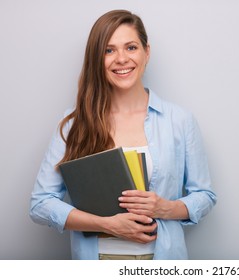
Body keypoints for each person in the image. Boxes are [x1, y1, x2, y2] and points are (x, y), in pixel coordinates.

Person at [29, 9, 217, 260]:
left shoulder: (179, 120)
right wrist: (107, 224)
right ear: (97, 59)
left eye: (131, 47)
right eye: (109, 50)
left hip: (163, 260)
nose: (121, 59)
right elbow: (41, 204)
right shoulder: (74, 124)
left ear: (146, 52)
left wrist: (167, 208)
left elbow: (205, 196)